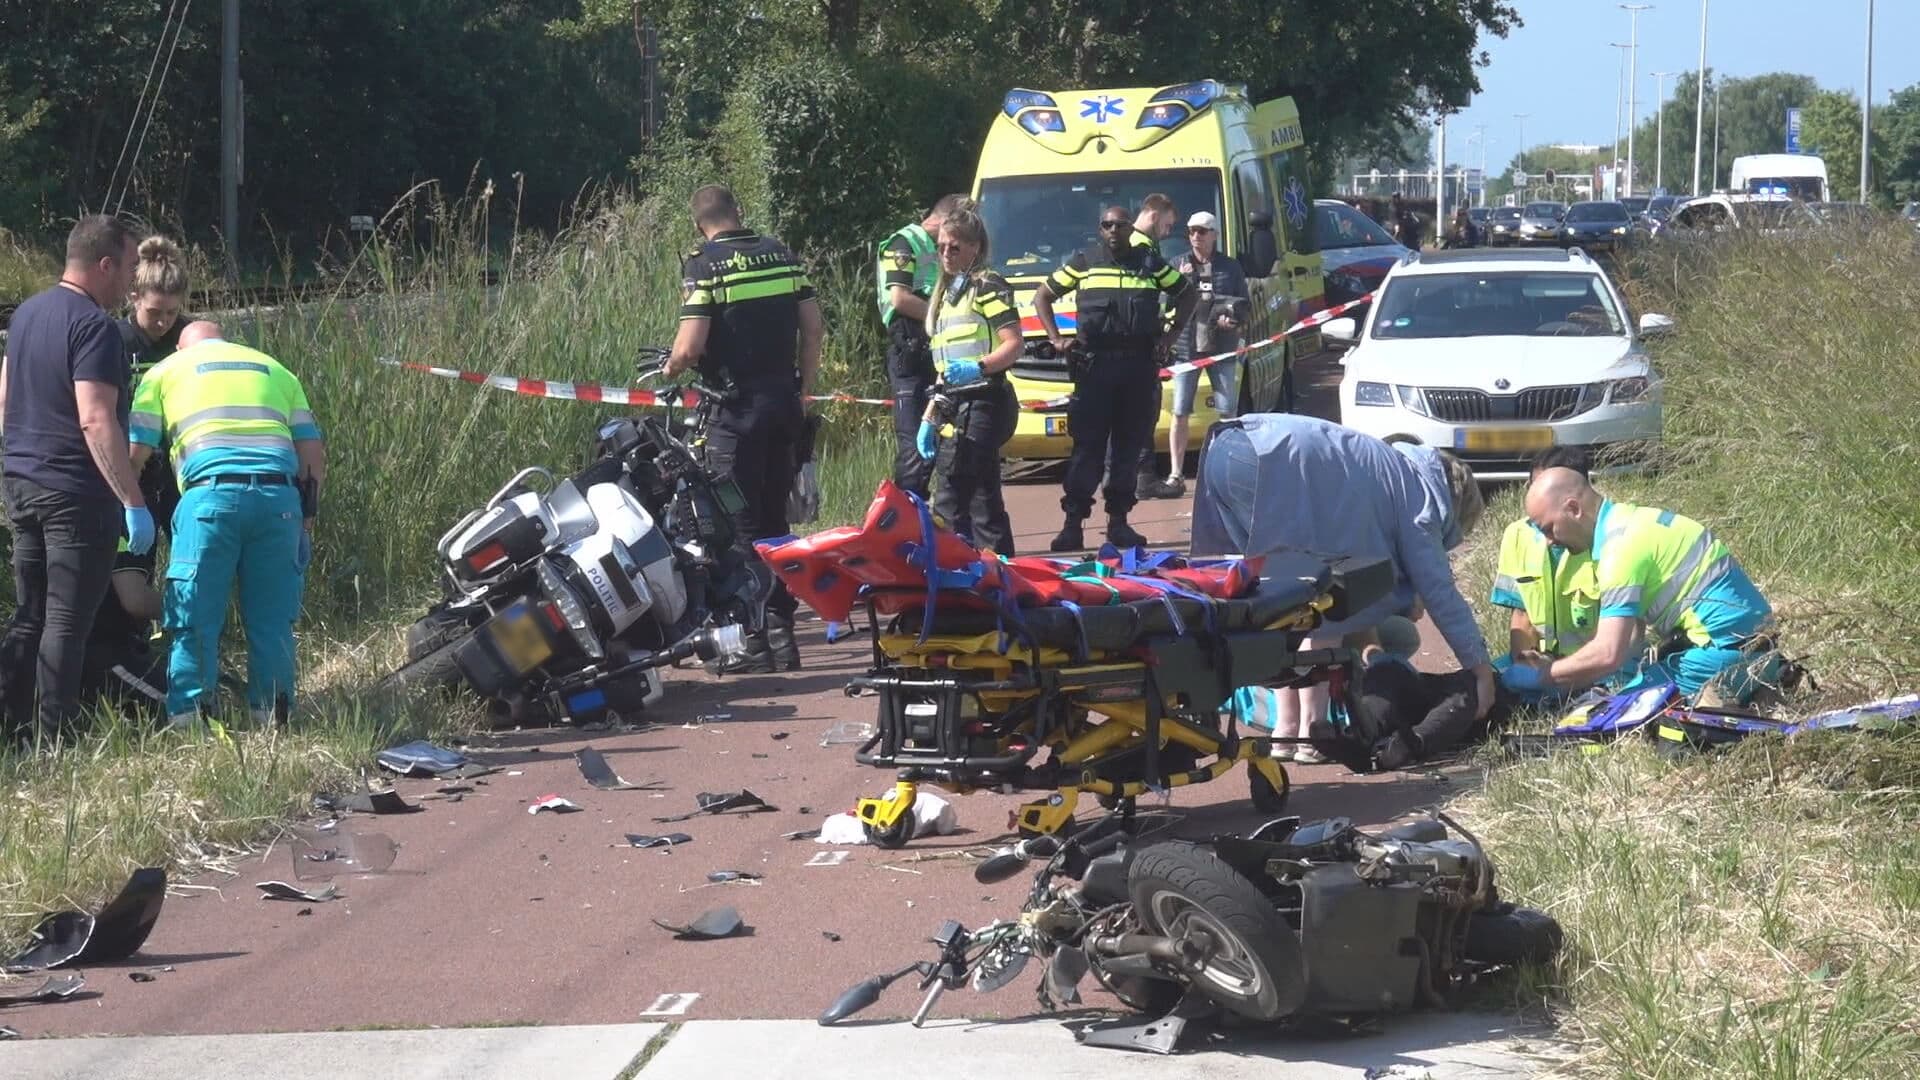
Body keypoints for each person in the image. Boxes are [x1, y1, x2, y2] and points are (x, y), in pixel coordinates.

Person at [1191, 414, 1492, 763]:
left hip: (1227, 448)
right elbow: (1441, 594)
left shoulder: (1389, 472)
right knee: (1325, 603)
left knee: (1277, 599)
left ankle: (1285, 730)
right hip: (1269, 460)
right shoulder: (1421, 498)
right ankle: (1312, 732)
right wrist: (1480, 670)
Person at [0, 214, 150, 746]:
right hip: (74, 493)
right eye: (128, 267)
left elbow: (5, 400)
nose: (130, 281)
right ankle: (55, 740)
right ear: (104, 264)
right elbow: (95, 418)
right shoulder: (94, 326)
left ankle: (12, 727)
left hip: (22, 483)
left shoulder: (27, 315)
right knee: (66, 621)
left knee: (29, 615)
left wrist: (17, 462)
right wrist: (132, 500)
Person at [129, 321, 325, 727]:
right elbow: (310, 450)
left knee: (194, 616)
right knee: (272, 618)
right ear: (225, 342)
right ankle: (274, 716)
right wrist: (306, 517)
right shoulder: (275, 368)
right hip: (279, 501)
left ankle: (192, 718)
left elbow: (137, 451)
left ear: (181, 347)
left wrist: (126, 503)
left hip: (209, 499)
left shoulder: (164, 371)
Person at [666, 185, 824, 673]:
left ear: (699, 225)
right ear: (738, 212)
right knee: (777, 522)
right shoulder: (782, 255)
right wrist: (804, 389)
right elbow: (813, 329)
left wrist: (670, 368)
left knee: (737, 527)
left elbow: (690, 347)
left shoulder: (704, 267)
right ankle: (783, 638)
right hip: (783, 408)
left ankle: (754, 643)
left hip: (735, 416)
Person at [1512, 468, 1779, 706]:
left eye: (1548, 529)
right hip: (1757, 649)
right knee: (1618, 696)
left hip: (1729, 655)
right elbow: (1630, 638)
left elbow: (1608, 653)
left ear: (1573, 509)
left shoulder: (1619, 550)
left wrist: (1544, 676)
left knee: (1616, 714)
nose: (1548, 541)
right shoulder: (1631, 521)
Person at [1032, 203, 1196, 552]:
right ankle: (1072, 525)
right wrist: (1056, 339)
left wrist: (1170, 337)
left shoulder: (1149, 264)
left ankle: (1118, 523)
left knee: (1127, 449)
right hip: (1094, 369)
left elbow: (1187, 293)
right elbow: (1043, 296)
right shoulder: (1084, 262)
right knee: (1086, 450)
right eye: (1107, 225)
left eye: (1120, 225)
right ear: (1100, 229)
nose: (1113, 231)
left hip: (1137, 369)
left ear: (1130, 229)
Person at [914, 202, 1021, 555]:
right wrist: (929, 417)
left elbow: (1014, 344)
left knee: (957, 496)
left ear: (974, 247)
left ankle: (979, 571)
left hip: (984, 398)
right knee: (976, 499)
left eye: (954, 246)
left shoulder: (987, 285)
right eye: (941, 246)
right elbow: (944, 368)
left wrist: (979, 366)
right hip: (955, 402)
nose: (945, 253)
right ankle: (989, 571)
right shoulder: (949, 293)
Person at [1141, 210, 1248, 500]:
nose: (1195, 236)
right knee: (1179, 411)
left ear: (1214, 234)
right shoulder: (1178, 264)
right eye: (1191, 231)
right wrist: (1183, 282)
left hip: (1222, 349)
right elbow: (1164, 303)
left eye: (1201, 231)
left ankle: (1228, 470)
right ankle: (1176, 473)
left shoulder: (1230, 267)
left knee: (1227, 411)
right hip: (1186, 349)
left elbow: (1243, 305)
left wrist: (1232, 320)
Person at [877, 194, 968, 501]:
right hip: (910, 350)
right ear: (945, 220)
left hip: (936, 350)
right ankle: (906, 514)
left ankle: (938, 516)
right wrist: (945, 316)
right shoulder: (904, 244)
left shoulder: (940, 248)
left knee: (946, 442)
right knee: (914, 447)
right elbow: (900, 299)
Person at [117, 235, 194, 538]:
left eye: (171, 313)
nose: (163, 322)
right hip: (132, 468)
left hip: (181, 468)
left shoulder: (190, 338)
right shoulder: (115, 338)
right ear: (134, 296)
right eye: (154, 312)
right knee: (133, 559)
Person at [80, 537, 167, 716]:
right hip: (102, 650)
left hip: (95, 645)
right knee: (185, 708)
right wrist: (196, 612)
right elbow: (136, 601)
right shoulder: (126, 527)